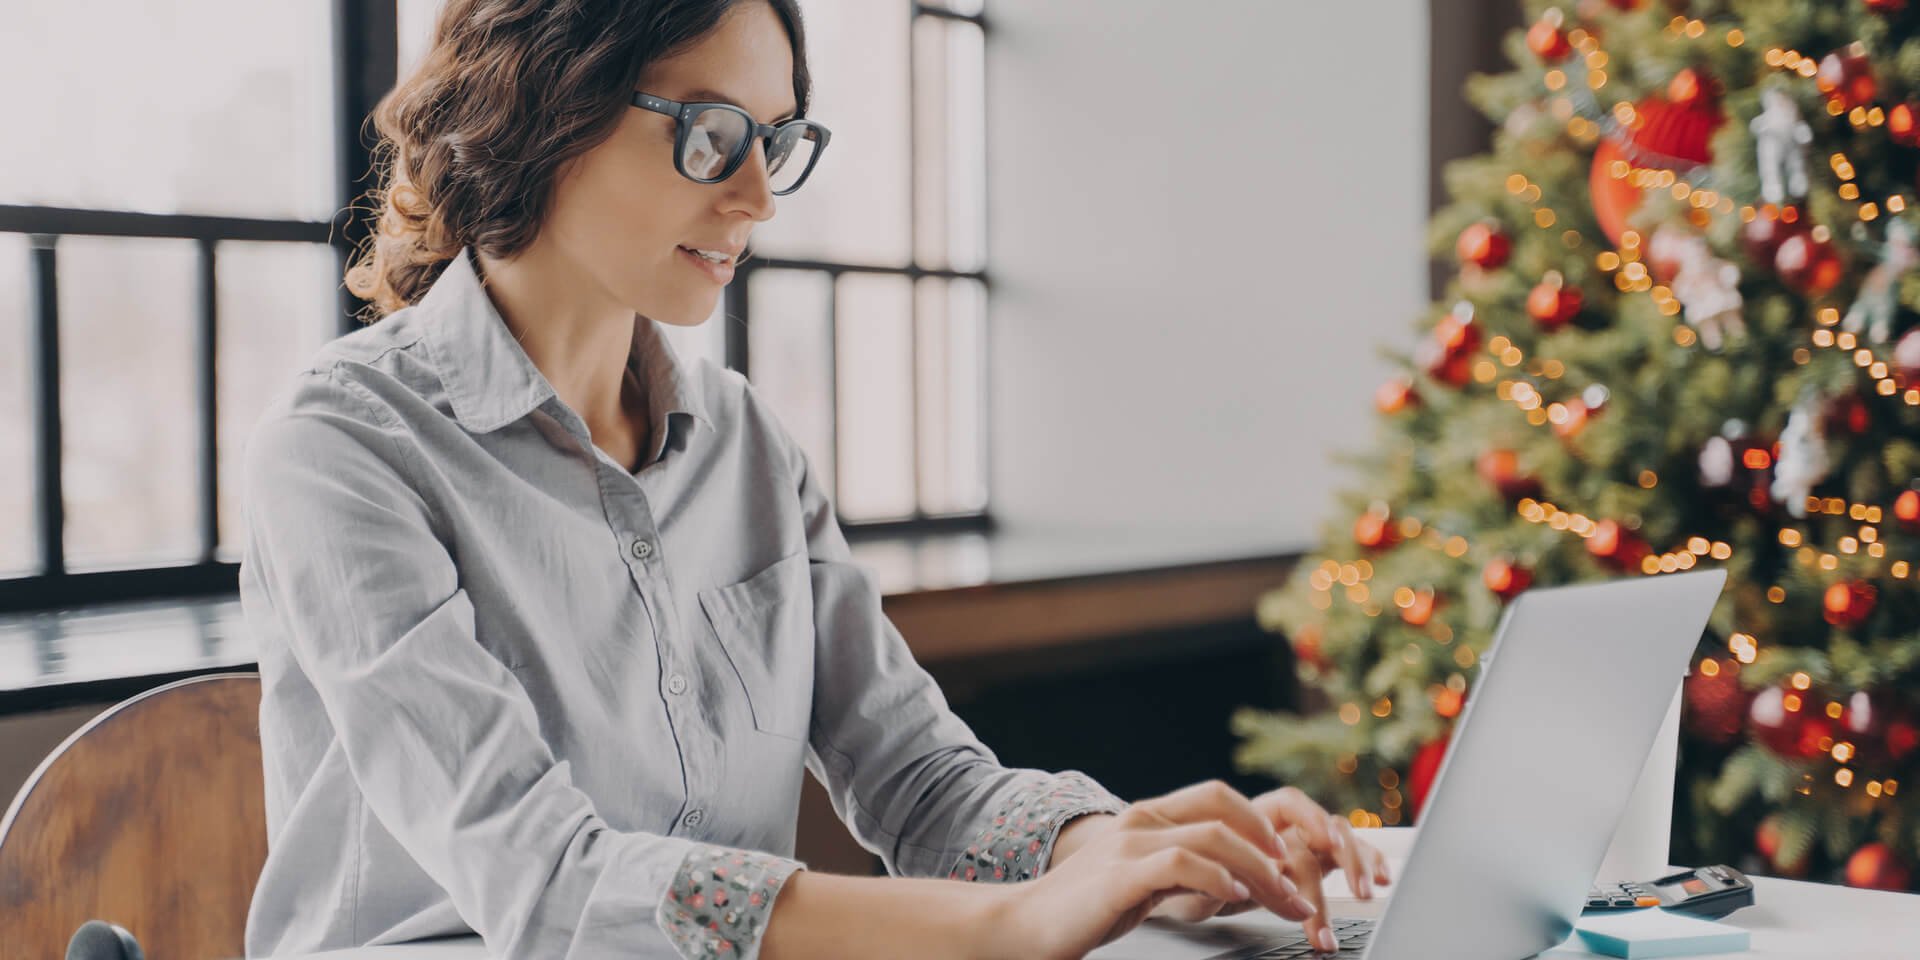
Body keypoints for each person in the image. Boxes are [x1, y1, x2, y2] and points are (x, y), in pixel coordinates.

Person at [238, 2, 1389, 958]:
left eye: (775, 140)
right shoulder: (344, 449)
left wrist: (1119, 855)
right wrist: (1004, 926)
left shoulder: (745, 443)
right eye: (708, 133)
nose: (757, 199)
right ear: (545, 105)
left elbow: (922, 783)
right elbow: (550, 885)